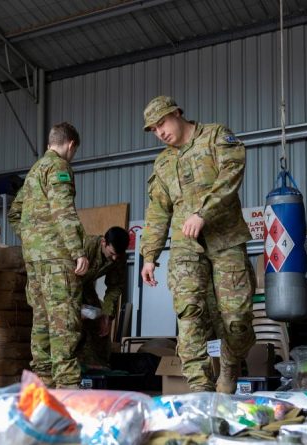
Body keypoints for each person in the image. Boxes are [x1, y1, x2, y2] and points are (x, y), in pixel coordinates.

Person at [139, 95, 255, 394]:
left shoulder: (215, 136)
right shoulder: (163, 162)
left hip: (225, 239)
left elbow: (232, 174)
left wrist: (203, 212)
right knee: (189, 314)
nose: (159, 132)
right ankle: (200, 389)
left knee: (236, 319)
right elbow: (158, 211)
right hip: (185, 247)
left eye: (162, 123)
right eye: (153, 129)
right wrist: (149, 255)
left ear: (178, 113)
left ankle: (229, 367)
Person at [8, 122, 88, 389]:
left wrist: (33, 239)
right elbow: (63, 209)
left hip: (35, 260)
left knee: (41, 319)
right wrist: (78, 251)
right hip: (56, 258)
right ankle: (67, 383)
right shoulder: (58, 167)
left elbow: (14, 212)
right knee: (63, 319)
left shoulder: (34, 172)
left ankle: (43, 378)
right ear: (71, 144)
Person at [77, 226, 129, 370]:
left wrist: (107, 316)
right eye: (111, 253)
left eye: (118, 255)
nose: (114, 258)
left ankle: (98, 365)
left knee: (98, 320)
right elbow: (64, 278)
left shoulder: (118, 256)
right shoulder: (85, 246)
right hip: (65, 286)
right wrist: (75, 307)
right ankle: (72, 367)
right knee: (72, 321)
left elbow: (115, 287)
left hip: (85, 286)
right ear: (103, 242)